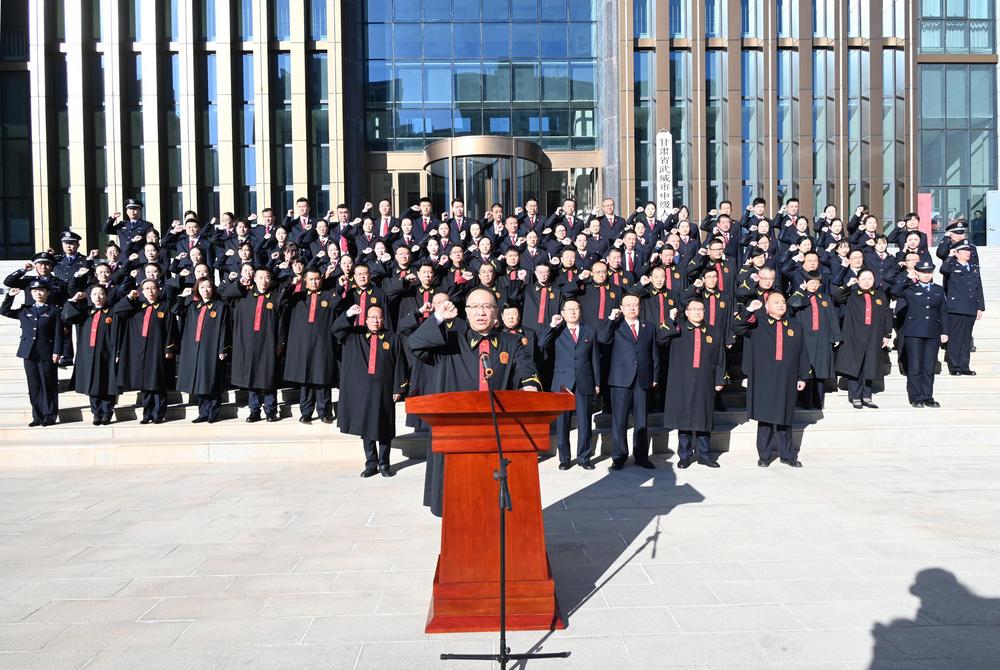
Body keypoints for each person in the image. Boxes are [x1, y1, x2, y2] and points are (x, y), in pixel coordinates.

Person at [409, 287, 541, 516]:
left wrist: (530, 385)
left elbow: (526, 369)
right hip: (457, 432)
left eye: (487, 307)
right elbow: (416, 344)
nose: (481, 312)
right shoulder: (450, 340)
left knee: (493, 498)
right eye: (475, 307)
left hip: (497, 430)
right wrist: (438, 317)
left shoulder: (512, 343)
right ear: (466, 312)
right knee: (458, 499)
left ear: (496, 313)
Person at [733, 293, 810, 468]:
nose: (781, 305)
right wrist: (749, 310)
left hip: (787, 377)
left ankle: (787, 455)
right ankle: (764, 455)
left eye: (783, 302)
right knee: (765, 417)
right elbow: (736, 327)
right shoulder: (757, 324)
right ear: (767, 306)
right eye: (776, 302)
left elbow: (802, 353)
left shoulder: (795, 326)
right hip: (764, 377)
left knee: (785, 417)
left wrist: (803, 376)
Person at [333, 304, 408, 477]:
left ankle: (384, 464)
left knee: (385, 427)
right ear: (365, 320)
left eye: (379, 317)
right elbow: (336, 329)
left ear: (383, 319)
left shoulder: (392, 338)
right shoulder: (354, 335)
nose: (375, 320)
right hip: (362, 391)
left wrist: (398, 388)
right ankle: (371, 463)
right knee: (366, 426)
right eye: (372, 317)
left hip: (384, 389)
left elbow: (400, 363)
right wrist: (348, 314)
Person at [660, 299, 726, 468]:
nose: (697, 312)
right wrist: (670, 320)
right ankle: (685, 455)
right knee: (684, 417)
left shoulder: (713, 330)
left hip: (705, 380)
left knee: (703, 417)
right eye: (693, 309)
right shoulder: (678, 329)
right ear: (687, 312)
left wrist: (720, 378)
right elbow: (661, 337)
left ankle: (704, 455)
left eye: (700, 309)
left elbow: (720, 357)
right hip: (681, 380)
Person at [600, 294, 661, 471]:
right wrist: (611, 319)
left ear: (639, 307)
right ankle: (619, 456)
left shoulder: (648, 326)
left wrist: (655, 376)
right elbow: (603, 338)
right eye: (628, 305)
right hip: (620, 378)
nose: (632, 308)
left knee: (641, 421)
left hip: (642, 378)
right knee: (619, 420)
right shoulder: (615, 325)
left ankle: (641, 457)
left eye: (635, 305)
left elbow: (654, 353)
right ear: (621, 308)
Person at [539, 300, 600, 470]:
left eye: (576, 309)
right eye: (569, 309)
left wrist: (597, 382)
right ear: (563, 313)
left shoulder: (590, 331)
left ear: (580, 311)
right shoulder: (557, 331)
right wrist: (552, 325)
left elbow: (595, 358)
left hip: (584, 380)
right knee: (562, 423)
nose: (573, 312)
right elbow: (542, 343)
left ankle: (584, 458)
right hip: (562, 382)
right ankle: (564, 459)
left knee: (585, 422)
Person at [223, 266, 287, 422]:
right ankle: (254, 410)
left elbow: (282, 323)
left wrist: (280, 343)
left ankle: (270, 411)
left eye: (267, 277)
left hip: (268, 344)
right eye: (260, 277)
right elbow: (225, 295)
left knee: (269, 378)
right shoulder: (244, 295)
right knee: (251, 378)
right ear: (254, 279)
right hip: (248, 344)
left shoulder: (276, 297)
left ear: (271, 280)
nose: (264, 281)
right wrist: (240, 283)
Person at [114, 280, 178, 423]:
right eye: (147, 288)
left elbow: (171, 328)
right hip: (139, 350)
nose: (150, 291)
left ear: (158, 290)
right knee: (145, 384)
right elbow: (117, 310)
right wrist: (129, 297)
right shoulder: (136, 306)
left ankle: (158, 414)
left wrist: (169, 347)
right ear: (142, 291)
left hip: (157, 349)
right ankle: (147, 414)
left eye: (153, 288)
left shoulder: (165, 306)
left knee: (158, 382)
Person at [0, 283, 63, 426]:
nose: (38, 294)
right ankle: (37, 416)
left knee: (48, 384)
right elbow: (4, 311)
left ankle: (50, 415)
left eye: (41, 291)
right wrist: (10, 297)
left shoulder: (54, 310)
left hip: (47, 352)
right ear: (31, 294)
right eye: (35, 291)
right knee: (34, 385)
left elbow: (58, 333)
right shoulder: (25, 309)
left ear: (47, 293)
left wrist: (57, 351)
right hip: (29, 352)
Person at [283, 269, 340, 423]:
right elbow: (282, 301)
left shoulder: (328, 295)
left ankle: (324, 412)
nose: (315, 282)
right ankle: (306, 412)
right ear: (305, 280)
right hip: (303, 344)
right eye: (311, 279)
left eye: (317, 279)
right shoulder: (298, 297)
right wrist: (291, 285)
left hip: (323, 343)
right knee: (306, 377)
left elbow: (338, 305)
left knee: (322, 378)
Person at [61, 285, 121, 424]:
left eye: (101, 294)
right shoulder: (85, 311)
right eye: (94, 294)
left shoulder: (113, 312)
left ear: (106, 296)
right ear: (90, 297)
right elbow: (66, 316)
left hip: (107, 353)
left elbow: (119, 332)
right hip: (88, 354)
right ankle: (96, 412)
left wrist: (118, 351)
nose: (98, 297)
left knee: (108, 383)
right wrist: (73, 299)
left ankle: (107, 412)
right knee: (92, 383)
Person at [834, 269, 893, 409]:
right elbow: (837, 296)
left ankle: (867, 396)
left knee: (870, 366)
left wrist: (887, 334)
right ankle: (855, 397)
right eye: (863, 279)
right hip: (854, 336)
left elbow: (887, 315)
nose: (867, 282)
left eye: (870, 279)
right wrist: (848, 285)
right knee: (855, 367)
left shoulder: (880, 295)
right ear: (858, 280)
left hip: (874, 336)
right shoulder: (852, 294)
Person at [174, 277, 230, 423]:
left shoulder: (220, 306)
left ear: (213, 289)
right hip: (194, 348)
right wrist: (183, 297)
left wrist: (223, 348)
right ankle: (203, 413)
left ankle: (213, 412)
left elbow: (224, 328)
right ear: (197, 289)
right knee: (200, 381)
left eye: (208, 286)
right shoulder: (192, 305)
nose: (205, 290)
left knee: (212, 379)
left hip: (212, 347)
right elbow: (175, 310)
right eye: (202, 287)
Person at [894, 260, 949, 408]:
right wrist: (908, 277)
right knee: (915, 366)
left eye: (929, 272)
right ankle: (916, 396)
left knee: (929, 366)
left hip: (933, 332)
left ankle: (927, 396)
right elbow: (895, 291)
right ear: (917, 273)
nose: (926, 275)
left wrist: (945, 331)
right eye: (923, 272)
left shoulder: (938, 289)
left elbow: (943, 311)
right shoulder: (910, 288)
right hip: (914, 332)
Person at [786, 271, 841, 409]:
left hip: (822, 339)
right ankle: (805, 401)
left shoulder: (825, 298)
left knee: (820, 371)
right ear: (805, 282)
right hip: (805, 338)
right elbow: (792, 304)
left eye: (817, 283)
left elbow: (832, 318)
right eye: (811, 282)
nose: (814, 285)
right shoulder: (800, 296)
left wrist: (836, 336)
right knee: (805, 370)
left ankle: (818, 401)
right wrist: (801, 290)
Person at [940, 241, 985, 376]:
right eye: (964, 250)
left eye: (968, 250)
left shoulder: (974, 267)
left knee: (966, 339)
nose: (968, 253)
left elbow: (978, 288)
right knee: (955, 338)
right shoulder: (951, 266)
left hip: (971, 307)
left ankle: (965, 366)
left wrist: (980, 307)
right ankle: (955, 366)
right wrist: (949, 256)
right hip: (956, 308)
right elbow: (943, 270)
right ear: (957, 253)